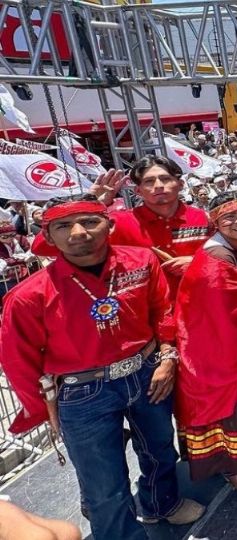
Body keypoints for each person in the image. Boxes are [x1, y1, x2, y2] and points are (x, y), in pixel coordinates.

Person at [0, 195, 204, 539]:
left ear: (110, 226)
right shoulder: (27, 296)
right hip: (83, 392)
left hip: (148, 372)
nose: (78, 232)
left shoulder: (141, 261)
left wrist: (167, 356)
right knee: (103, 483)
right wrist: (43, 410)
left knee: (159, 449)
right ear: (48, 237)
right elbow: (18, 360)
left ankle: (161, 504)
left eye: (89, 222)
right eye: (64, 226)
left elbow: (163, 311)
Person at [174, 192, 237, 490]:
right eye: (230, 217)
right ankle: (232, 466)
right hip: (219, 344)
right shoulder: (215, 259)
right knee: (231, 403)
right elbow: (223, 312)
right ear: (215, 222)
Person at [98, 159, 212, 294]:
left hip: (199, 305)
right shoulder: (118, 222)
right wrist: (95, 203)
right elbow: (78, 246)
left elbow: (231, 259)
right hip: (146, 310)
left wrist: (198, 263)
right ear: (138, 191)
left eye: (165, 179)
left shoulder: (205, 218)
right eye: (149, 181)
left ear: (181, 184)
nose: (158, 185)